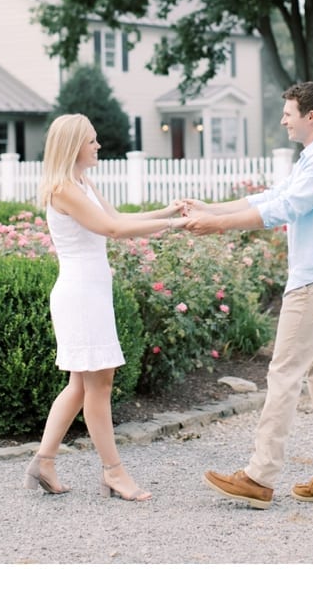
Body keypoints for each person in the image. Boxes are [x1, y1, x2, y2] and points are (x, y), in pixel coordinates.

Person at [188, 81, 313, 510]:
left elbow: (287, 209)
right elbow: (273, 196)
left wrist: (218, 226)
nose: (283, 120)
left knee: (284, 373)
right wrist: (211, 208)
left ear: (310, 116)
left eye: (288, 113)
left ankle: (260, 477)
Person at [24, 113, 188, 501]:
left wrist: (166, 213)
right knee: (99, 385)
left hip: (91, 293)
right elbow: (112, 231)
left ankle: (43, 462)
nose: (99, 146)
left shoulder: (81, 182)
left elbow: (115, 218)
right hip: (80, 296)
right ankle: (114, 473)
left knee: (81, 386)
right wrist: (173, 228)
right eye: (92, 141)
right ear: (73, 145)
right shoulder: (64, 188)